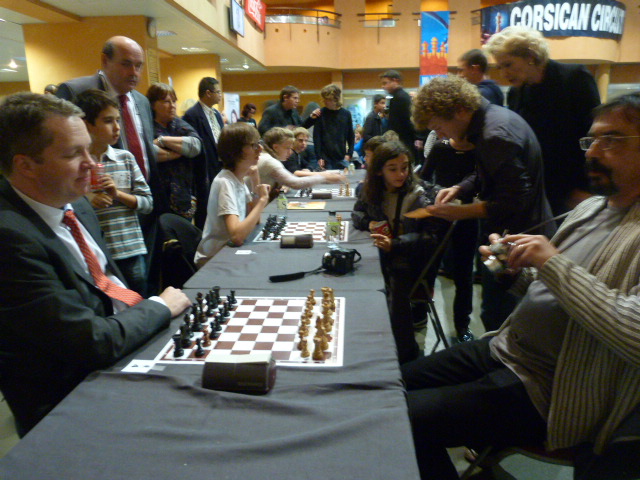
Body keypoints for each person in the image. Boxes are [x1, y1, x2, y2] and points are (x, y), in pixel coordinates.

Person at [401, 92, 640, 480]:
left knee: (396, 419)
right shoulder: (591, 208)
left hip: (549, 387)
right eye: (591, 140)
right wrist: (512, 272)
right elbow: (553, 288)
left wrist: (551, 262)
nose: (593, 152)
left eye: (611, 140)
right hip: (505, 348)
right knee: (385, 386)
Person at [0, 92, 191, 437]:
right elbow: (93, 342)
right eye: (74, 154)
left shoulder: (76, 204)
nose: (92, 163)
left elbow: (109, 289)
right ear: (25, 165)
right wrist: (159, 306)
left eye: (89, 149)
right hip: (70, 407)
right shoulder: (9, 239)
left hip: (124, 356)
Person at [412, 75, 554, 333]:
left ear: (460, 110)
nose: (439, 135)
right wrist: (460, 188)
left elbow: (515, 200)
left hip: (517, 239)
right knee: (494, 309)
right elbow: (488, 172)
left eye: (439, 127)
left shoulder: (493, 135)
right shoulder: (495, 118)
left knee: (499, 315)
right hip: (511, 235)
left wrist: (460, 212)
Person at [55, 36, 168, 291]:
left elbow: (144, 147)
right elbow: (63, 151)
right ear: (105, 61)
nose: (134, 72)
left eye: (139, 66)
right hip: (98, 219)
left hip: (138, 206)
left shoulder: (140, 100)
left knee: (144, 281)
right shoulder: (74, 92)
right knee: (112, 288)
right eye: (126, 64)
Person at [486, 26, 601, 216]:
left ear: (530, 56)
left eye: (508, 64)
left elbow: (593, 136)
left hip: (576, 187)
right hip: (539, 187)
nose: (503, 74)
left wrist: (585, 186)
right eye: (499, 67)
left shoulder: (574, 77)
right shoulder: (516, 93)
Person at [352, 141, 448, 364]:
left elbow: (431, 239)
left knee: (394, 282)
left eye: (405, 167)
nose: (401, 174)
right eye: (393, 169)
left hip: (413, 260)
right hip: (383, 254)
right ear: (379, 171)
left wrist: (395, 244)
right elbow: (357, 213)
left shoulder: (424, 195)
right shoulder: (372, 190)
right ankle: (363, 344)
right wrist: (369, 223)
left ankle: (405, 356)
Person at [76, 89, 152, 296]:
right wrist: (88, 200)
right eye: (108, 121)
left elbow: (147, 203)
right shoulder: (78, 164)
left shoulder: (125, 158)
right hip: (96, 253)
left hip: (130, 249)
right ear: (87, 125)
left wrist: (117, 194)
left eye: (118, 120)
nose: (117, 127)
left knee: (137, 297)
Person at [420, 137, 478, 342]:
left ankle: (462, 326)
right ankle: (420, 315)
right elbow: (423, 179)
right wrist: (438, 194)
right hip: (440, 217)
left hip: (467, 216)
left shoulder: (479, 150)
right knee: (430, 267)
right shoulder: (440, 148)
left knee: (464, 275)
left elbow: (482, 180)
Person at [194, 123, 271, 266]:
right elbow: (237, 236)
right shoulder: (225, 182)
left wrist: (255, 181)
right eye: (254, 145)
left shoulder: (237, 179)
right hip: (213, 259)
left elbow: (256, 220)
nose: (260, 148)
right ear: (236, 151)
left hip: (228, 251)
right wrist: (263, 200)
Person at [147, 82, 202, 221]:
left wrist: (163, 141)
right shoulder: (147, 127)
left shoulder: (180, 125)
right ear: (153, 105)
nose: (172, 106)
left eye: (174, 101)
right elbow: (149, 152)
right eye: (166, 101)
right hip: (157, 198)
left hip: (183, 198)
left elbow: (195, 146)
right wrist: (176, 152)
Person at [182, 77, 225, 230]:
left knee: (220, 206)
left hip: (219, 166)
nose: (220, 95)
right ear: (208, 93)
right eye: (218, 92)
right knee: (205, 209)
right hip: (204, 169)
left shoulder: (216, 114)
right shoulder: (192, 115)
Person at [258, 127, 345, 198]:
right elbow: (296, 183)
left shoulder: (267, 157)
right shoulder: (270, 161)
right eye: (287, 148)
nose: (290, 152)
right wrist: (324, 177)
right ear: (276, 147)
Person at [312, 84, 355, 170]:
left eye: (327, 99)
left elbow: (351, 136)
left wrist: (349, 154)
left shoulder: (346, 114)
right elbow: (317, 137)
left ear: (335, 99)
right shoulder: (321, 113)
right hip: (325, 158)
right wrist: (319, 156)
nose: (324, 101)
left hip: (341, 156)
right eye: (324, 99)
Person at [380, 70, 417, 157]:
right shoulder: (398, 97)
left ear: (395, 81)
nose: (383, 86)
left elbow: (406, 122)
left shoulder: (401, 98)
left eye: (385, 83)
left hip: (403, 142)